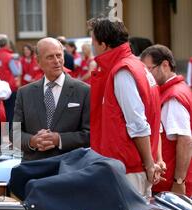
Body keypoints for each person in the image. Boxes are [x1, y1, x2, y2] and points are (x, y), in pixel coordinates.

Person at [88, 17, 162, 198]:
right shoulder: (137, 65)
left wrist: (150, 163)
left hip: (127, 167)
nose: (92, 47)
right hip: (131, 165)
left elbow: (138, 123)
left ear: (103, 45)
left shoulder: (122, 71)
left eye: (93, 42)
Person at [13, 38, 90, 162]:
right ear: (38, 61)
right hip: (34, 168)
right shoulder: (24, 93)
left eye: (59, 55)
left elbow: (90, 134)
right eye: (50, 57)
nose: (57, 61)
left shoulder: (84, 91)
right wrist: (32, 141)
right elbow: (14, 133)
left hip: (70, 167)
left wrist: (58, 139)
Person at [141, 45, 192, 196]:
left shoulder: (173, 97)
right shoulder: (179, 89)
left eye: (149, 69)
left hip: (171, 185)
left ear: (165, 65)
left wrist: (179, 182)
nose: (146, 75)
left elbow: (185, 140)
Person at [0, 38, 21, 126]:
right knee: (11, 110)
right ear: (7, 45)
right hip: (10, 88)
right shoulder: (9, 57)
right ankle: (12, 132)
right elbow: (16, 72)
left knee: (1, 111)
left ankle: (3, 131)